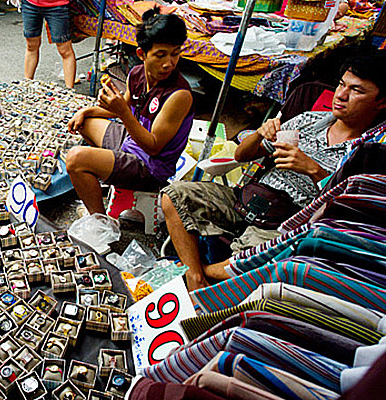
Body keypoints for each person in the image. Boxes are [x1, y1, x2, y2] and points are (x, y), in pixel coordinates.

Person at [161, 53, 386, 292]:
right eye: (341, 84)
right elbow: (241, 156)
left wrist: (314, 170)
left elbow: (351, 214)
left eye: (357, 91)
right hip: (248, 200)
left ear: (381, 102)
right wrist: (259, 133)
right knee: (175, 195)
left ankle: (201, 275)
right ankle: (195, 278)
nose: (341, 95)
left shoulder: (372, 152)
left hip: (287, 224)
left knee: (247, 263)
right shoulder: (309, 120)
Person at [66, 9, 193, 215]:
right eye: (160, 55)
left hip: (151, 167)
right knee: (85, 122)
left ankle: (98, 219)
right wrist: (87, 110)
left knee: (75, 158)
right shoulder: (136, 74)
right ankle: (105, 175)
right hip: (131, 142)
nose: (169, 63)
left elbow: (153, 147)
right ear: (142, 54)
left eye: (175, 53)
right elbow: (121, 109)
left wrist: (123, 112)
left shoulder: (179, 95)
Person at [22, 0, 76, 88]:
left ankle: (69, 91)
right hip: (30, 4)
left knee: (64, 50)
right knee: (31, 45)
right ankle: (26, 86)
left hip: (57, 6)